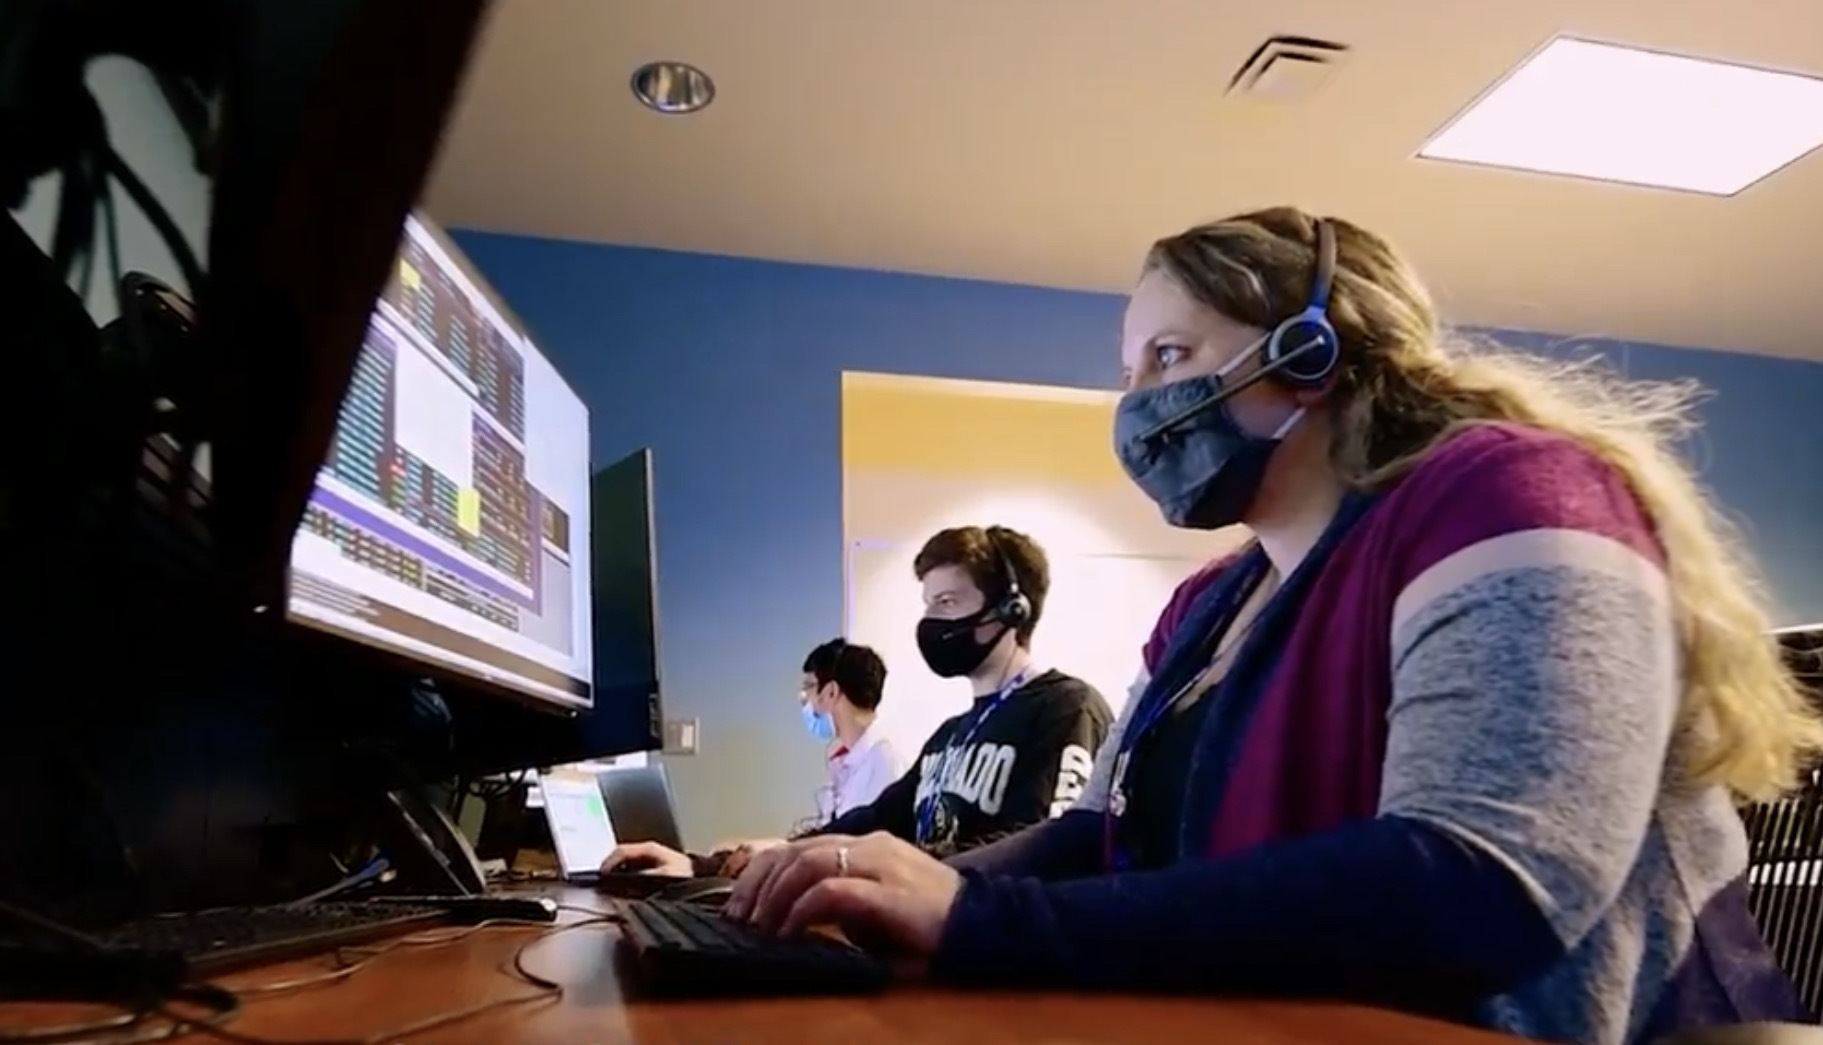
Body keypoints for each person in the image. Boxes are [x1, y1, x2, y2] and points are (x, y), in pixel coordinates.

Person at [724, 207, 1823, 1045]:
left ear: (1309, 352)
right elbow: (1096, 835)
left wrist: (972, 921)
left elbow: (1476, 885)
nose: (1137, 405)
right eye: (1126, 372)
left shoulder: (1509, 494)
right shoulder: (1208, 606)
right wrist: (876, 877)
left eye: (1170, 357)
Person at [603, 524, 1114, 877]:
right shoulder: (949, 736)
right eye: (928, 604)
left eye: (948, 602)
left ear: (1013, 610)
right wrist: (710, 864)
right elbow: (870, 821)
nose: (932, 621)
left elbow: (1045, 852)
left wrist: (858, 865)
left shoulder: (1067, 709)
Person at [797, 638, 905, 826]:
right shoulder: (845, 761)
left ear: (831, 692)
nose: (805, 700)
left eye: (809, 687)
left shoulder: (884, 761)